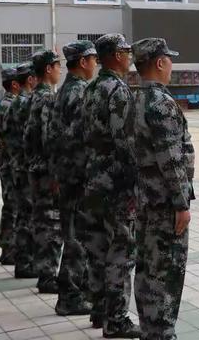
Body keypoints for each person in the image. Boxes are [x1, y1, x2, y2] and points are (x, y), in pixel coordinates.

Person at [132, 37, 195, 340]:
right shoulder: (160, 103)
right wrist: (182, 204)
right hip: (164, 203)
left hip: (144, 197)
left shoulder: (134, 99)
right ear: (159, 63)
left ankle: (149, 330)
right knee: (166, 273)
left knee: (146, 268)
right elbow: (171, 159)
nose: (172, 65)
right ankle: (161, 333)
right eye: (169, 60)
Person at [82, 33, 139, 338]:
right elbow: (126, 144)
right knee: (121, 248)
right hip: (116, 183)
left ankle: (98, 309)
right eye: (127, 51)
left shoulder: (90, 89)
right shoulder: (117, 90)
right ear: (116, 55)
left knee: (97, 246)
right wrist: (134, 187)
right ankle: (116, 320)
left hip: (93, 179)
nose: (130, 56)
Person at [49, 40, 97, 316]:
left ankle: (73, 289)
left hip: (67, 174)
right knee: (77, 236)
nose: (95, 64)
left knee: (72, 233)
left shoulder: (65, 90)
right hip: (77, 176)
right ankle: (69, 295)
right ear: (83, 62)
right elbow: (81, 139)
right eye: (92, 59)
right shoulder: (79, 93)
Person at [24, 50, 63, 293]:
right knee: (50, 223)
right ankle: (48, 276)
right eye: (57, 66)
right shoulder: (47, 98)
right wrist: (56, 173)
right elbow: (50, 139)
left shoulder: (31, 97)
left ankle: (43, 270)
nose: (60, 70)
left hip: (34, 167)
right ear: (48, 69)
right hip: (47, 171)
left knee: (40, 220)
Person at [4, 62, 38, 278]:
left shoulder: (14, 104)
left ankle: (20, 258)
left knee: (21, 213)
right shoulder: (24, 104)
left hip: (16, 163)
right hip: (25, 166)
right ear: (31, 80)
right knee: (27, 215)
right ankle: (25, 262)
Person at [0, 67, 20, 265]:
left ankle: (8, 246)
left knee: (10, 204)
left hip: (6, 159)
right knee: (12, 205)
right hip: (10, 160)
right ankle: (9, 249)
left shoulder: (4, 103)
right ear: (14, 84)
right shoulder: (9, 105)